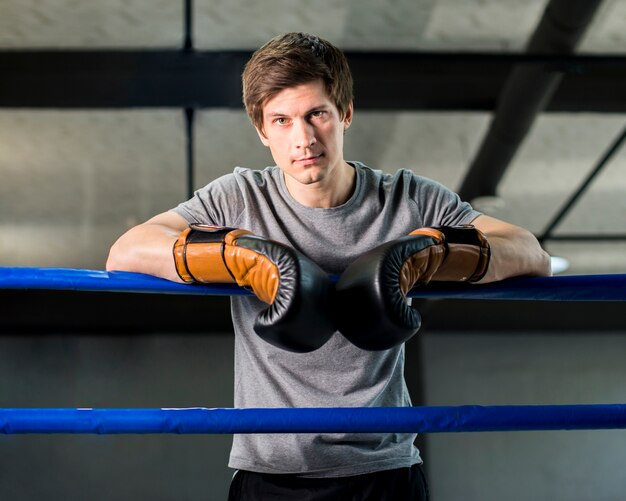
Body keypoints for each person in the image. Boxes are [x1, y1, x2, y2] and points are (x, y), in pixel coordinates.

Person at [107, 32, 552, 500]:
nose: (303, 139)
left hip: (385, 470)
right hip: (271, 474)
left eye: (316, 114)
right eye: (281, 120)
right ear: (262, 130)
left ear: (345, 113)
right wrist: (243, 256)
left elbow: (528, 252)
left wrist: (426, 253)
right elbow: (128, 250)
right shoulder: (240, 198)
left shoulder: (405, 197)